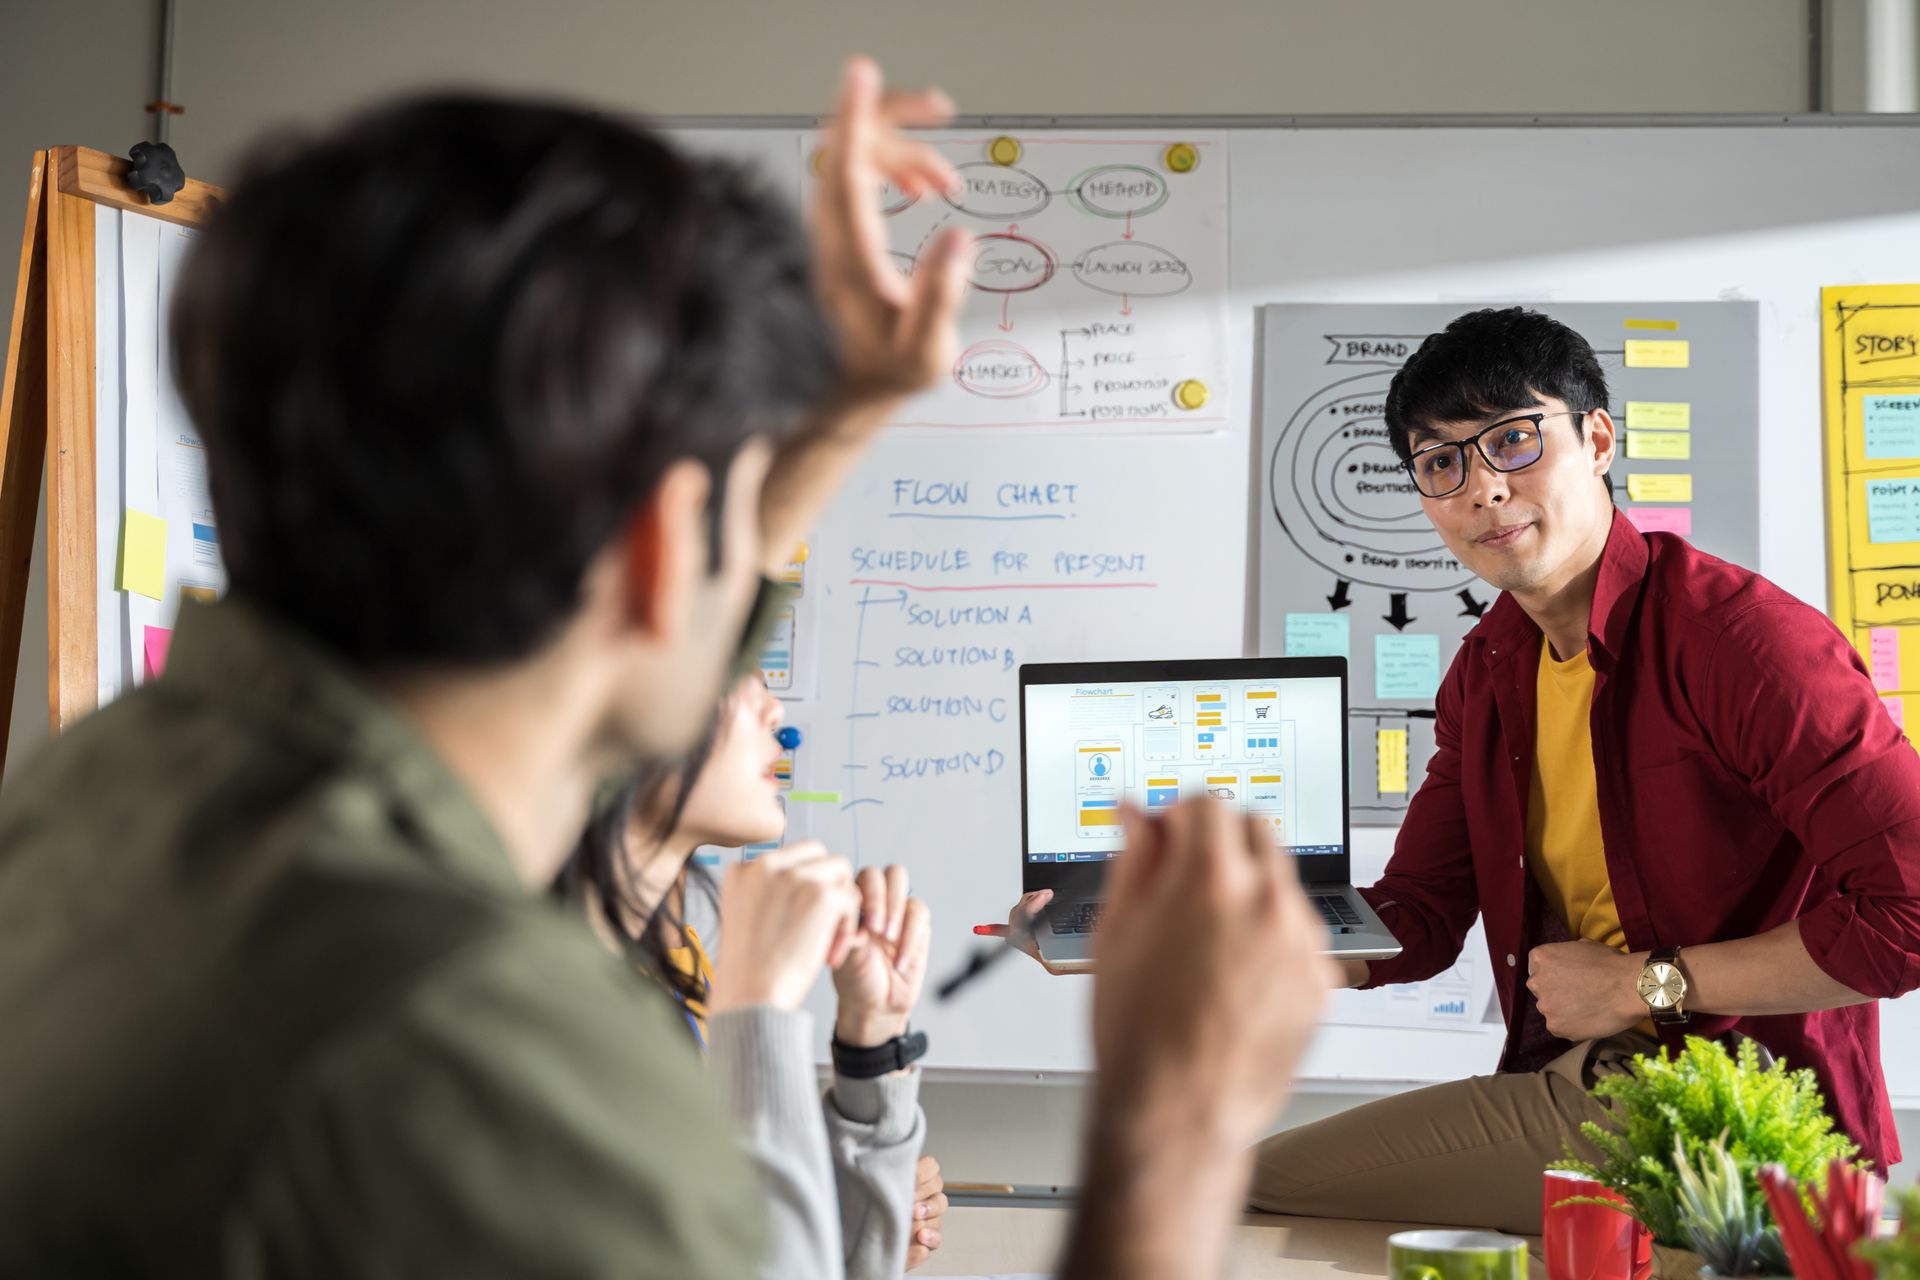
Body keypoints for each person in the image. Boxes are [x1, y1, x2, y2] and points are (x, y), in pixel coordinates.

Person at [0, 55, 1338, 1278]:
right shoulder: (493, 1058)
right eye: (740, 511)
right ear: (653, 559)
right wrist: (1176, 1129)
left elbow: (667, 609)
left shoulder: (112, 796)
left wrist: (846, 401)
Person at [1239, 307, 1920, 1231]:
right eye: (1442, 463)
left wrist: (1649, 983)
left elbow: (1909, 914)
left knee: (1231, 1185)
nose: (1482, 489)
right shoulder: (1487, 673)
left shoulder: (1743, 646)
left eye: (1513, 442)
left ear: (1597, 439)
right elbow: (1421, 917)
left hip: (1746, 1125)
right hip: (1590, 1082)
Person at [559, 673, 947, 1278]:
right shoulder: (543, 997)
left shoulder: (679, 969)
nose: (775, 711)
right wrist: (759, 1007)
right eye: (733, 671)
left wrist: (872, 1039)